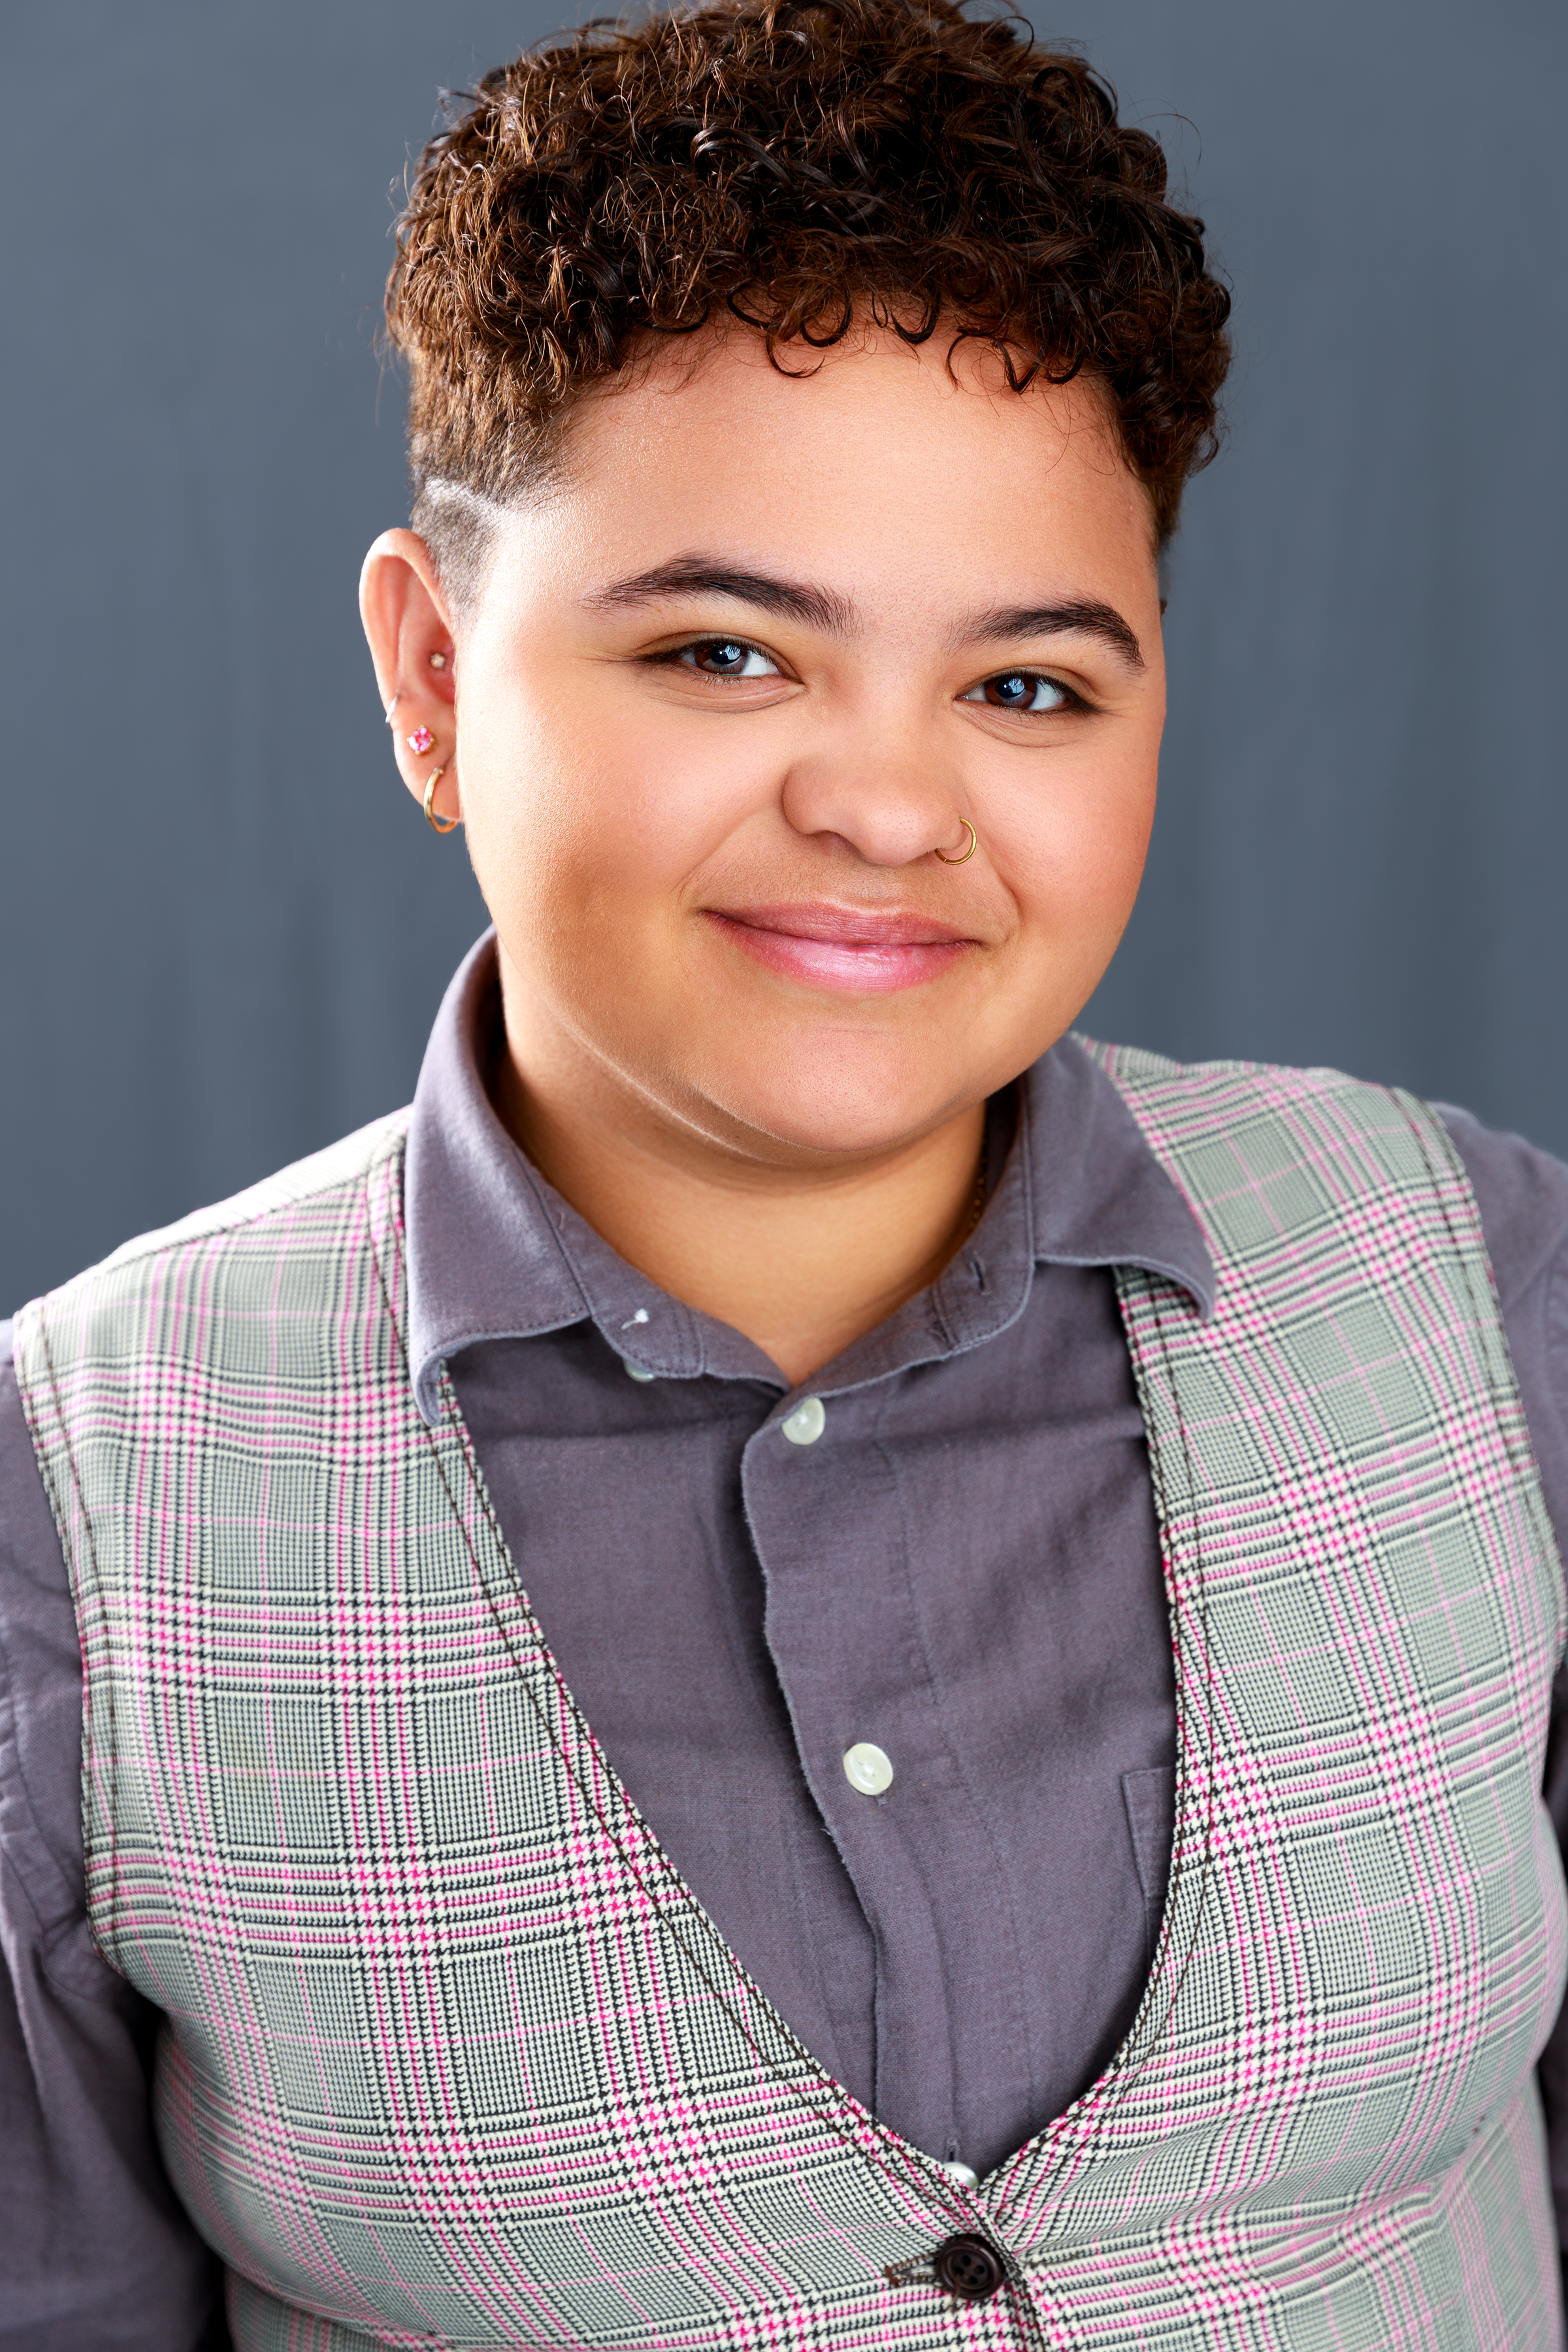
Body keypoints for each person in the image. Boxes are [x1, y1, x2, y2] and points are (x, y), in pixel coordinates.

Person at [3, 0, 1567, 2343]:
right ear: (431, 677)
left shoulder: (1483, 1285)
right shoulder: (70, 1510)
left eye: (1029, 687)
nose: (891, 807)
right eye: (729, 653)